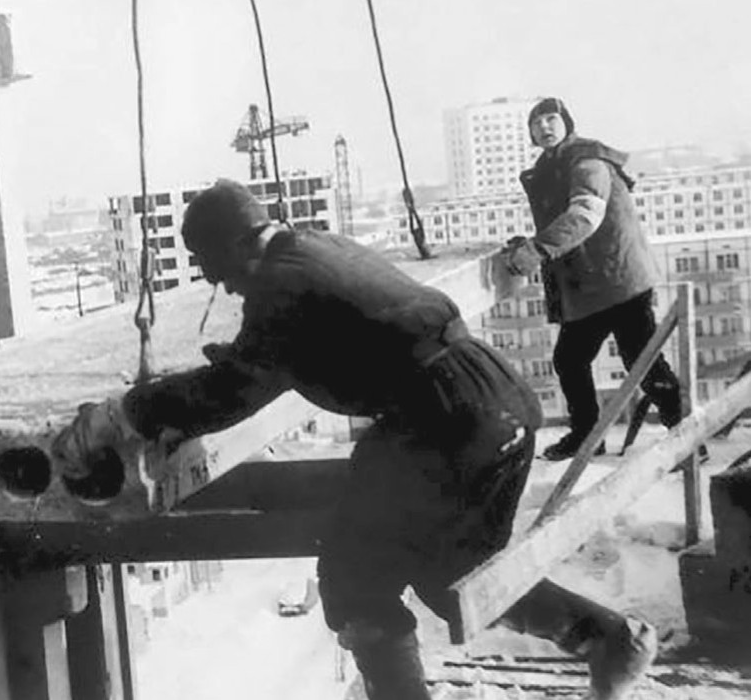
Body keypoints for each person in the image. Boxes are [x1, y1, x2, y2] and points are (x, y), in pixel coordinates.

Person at [52, 179, 657, 700]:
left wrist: (125, 413)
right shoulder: (315, 247)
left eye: (218, 269)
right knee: (456, 576)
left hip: (444, 421)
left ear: (238, 244)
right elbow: (316, 339)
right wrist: (250, 354)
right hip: (498, 402)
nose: (224, 285)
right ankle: (610, 639)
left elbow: (234, 393)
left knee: (356, 583)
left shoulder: (280, 283)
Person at [504, 97, 685, 462]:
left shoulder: (586, 160)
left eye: (551, 119)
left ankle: (688, 440)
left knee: (644, 364)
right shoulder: (552, 166)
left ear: (567, 123)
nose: (544, 127)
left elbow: (585, 215)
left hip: (619, 281)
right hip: (593, 286)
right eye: (536, 123)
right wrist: (531, 242)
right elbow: (562, 219)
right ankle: (588, 437)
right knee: (571, 360)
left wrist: (537, 249)